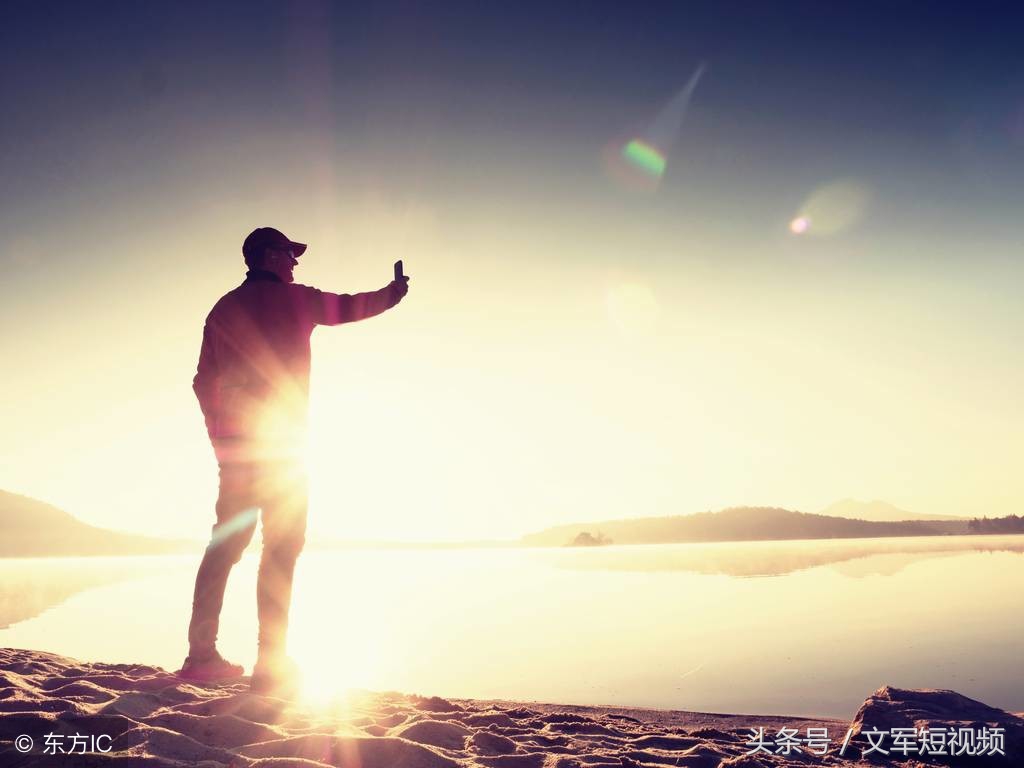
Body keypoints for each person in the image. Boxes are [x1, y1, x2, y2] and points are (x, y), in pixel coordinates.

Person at [177, 227, 409, 693]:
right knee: (281, 549)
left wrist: (221, 440)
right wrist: (393, 293)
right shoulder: (295, 300)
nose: (295, 262)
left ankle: (200, 656)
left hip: (238, 451)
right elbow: (350, 306)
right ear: (267, 255)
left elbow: (203, 381)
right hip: (284, 448)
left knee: (224, 548)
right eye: (289, 253)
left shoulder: (222, 309)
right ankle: (271, 663)